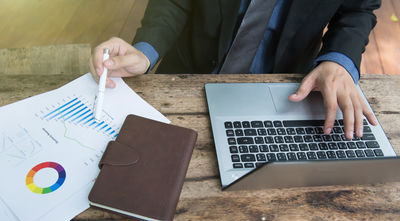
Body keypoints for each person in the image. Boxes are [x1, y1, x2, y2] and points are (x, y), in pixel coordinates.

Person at [89, 0, 381, 140]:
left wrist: (337, 59)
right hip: (189, 80)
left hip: (286, 90)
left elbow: (357, 9)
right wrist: (146, 50)